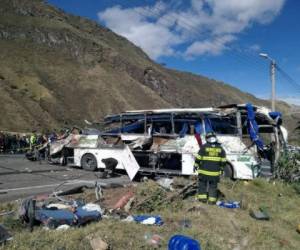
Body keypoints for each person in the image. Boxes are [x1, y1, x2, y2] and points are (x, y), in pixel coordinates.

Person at [194, 132, 226, 204]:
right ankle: (212, 201)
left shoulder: (204, 147)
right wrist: (221, 168)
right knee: (213, 186)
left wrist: (195, 165)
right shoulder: (220, 148)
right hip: (215, 173)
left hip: (204, 172)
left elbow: (198, 158)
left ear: (207, 139)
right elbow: (223, 161)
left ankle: (202, 199)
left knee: (202, 184)